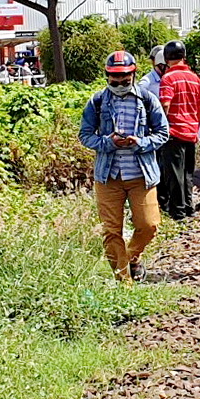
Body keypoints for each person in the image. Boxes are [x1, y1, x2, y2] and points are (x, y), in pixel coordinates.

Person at [78, 50, 170, 283]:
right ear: (107, 76)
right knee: (111, 230)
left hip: (141, 175)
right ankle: (123, 281)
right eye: (114, 78)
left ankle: (131, 258)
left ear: (133, 74)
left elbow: (163, 133)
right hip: (108, 177)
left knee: (149, 225)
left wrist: (142, 142)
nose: (119, 82)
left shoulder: (148, 100)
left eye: (124, 78)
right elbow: (85, 135)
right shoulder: (97, 102)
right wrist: (108, 142)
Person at [156, 40, 200, 219]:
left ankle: (178, 211)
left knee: (174, 174)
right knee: (187, 173)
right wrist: (196, 128)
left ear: (167, 58)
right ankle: (189, 206)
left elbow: (165, 105)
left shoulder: (168, 78)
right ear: (183, 56)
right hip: (191, 131)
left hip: (174, 132)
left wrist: (160, 128)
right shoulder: (195, 78)